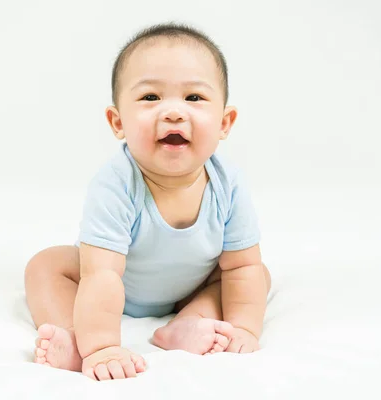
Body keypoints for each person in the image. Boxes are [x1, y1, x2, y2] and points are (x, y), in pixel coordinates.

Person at [24, 22, 272, 381]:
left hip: (190, 285)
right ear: (117, 121)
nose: (173, 112)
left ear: (224, 122)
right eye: (150, 98)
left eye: (194, 98)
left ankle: (189, 323)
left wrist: (245, 329)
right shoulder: (116, 183)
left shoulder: (227, 184)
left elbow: (241, 267)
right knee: (45, 267)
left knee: (256, 274)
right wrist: (102, 345)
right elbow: (102, 273)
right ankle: (74, 338)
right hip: (111, 281)